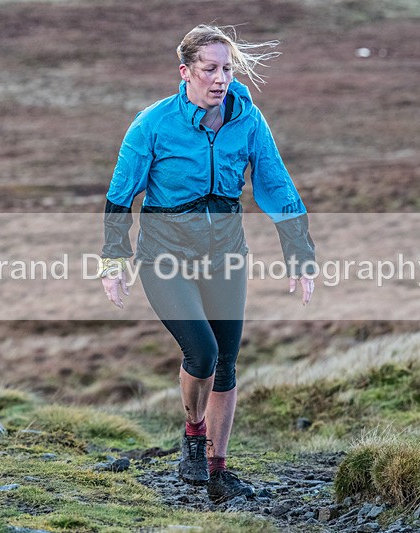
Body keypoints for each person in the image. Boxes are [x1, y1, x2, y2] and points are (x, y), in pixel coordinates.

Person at [97, 24, 316, 503]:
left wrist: (300, 253)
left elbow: (276, 184)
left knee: (227, 364)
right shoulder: (153, 124)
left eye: (227, 69)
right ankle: (193, 434)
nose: (221, 79)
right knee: (202, 353)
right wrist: (113, 260)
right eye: (210, 69)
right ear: (186, 72)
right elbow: (120, 195)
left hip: (226, 256)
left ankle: (218, 472)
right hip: (165, 257)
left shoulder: (248, 120)